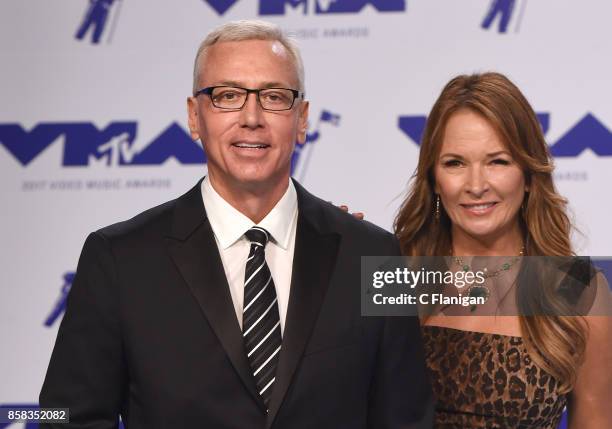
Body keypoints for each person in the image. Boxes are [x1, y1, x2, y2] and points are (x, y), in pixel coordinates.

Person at [40, 20, 432, 428]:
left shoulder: (376, 256)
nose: (251, 117)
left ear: (302, 120)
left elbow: (406, 417)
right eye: (227, 96)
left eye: (274, 97)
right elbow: (63, 417)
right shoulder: (119, 260)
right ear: (195, 117)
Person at [394, 72, 612, 428]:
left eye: (498, 161)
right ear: (434, 179)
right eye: (455, 163)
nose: (476, 185)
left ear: (528, 174)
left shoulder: (574, 288)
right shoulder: (398, 273)